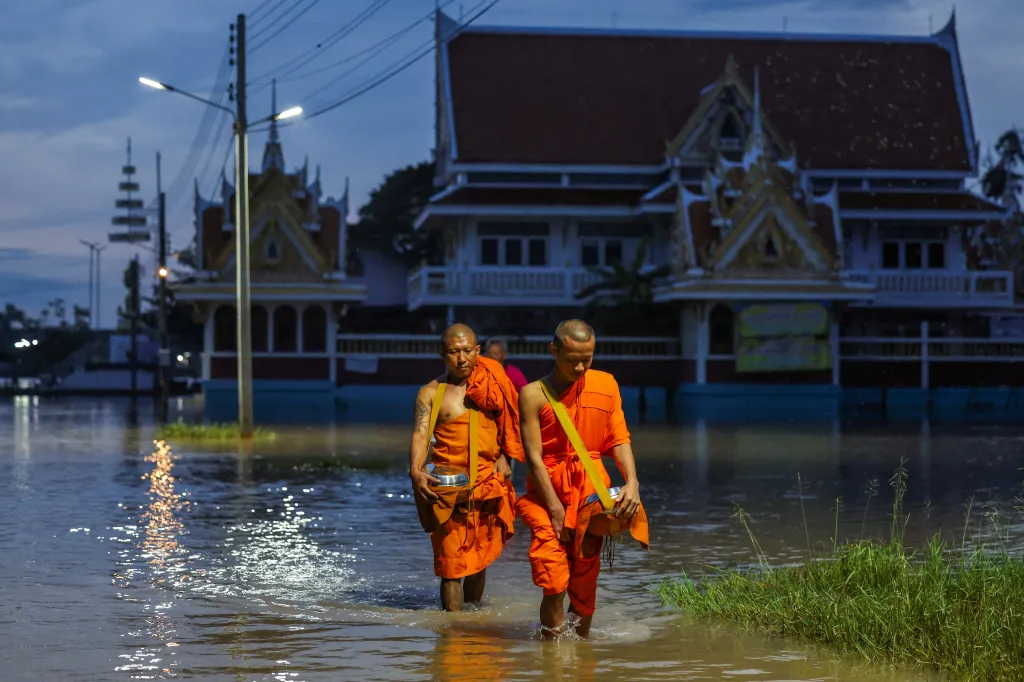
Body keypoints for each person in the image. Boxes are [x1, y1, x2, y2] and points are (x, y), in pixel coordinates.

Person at [516, 319, 649, 637]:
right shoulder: (532, 394)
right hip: (547, 494)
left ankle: (579, 653)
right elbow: (533, 457)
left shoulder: (606, 384)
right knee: (553, 579)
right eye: (571, 359)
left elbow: (618, 439)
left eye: (586, 360)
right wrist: (555, 509)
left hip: (591, 492)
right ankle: (551, 653)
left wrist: (632, 483)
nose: (579, 368)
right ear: (553, 350)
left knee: (585, 581)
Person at [409, 323, 524, 611]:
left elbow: (508, 427)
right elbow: (421, 434)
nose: (462, 359)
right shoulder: (431, 393)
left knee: (479, 562)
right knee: (451, 568)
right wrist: (415, 471)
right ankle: (452, 629)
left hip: (487, 485)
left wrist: (504, 458)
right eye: (454, 352)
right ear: (442, 354)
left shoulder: (492, 384)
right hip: (448, 491)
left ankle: (473, 625)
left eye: (467, 351)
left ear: (477, 351)